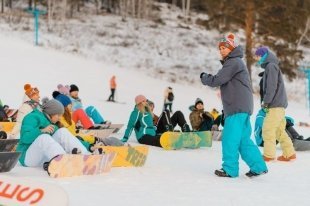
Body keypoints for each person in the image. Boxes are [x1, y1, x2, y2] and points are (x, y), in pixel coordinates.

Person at [200, 33, 267, 178]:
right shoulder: (236, 62)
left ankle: (230, 169)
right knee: (243, 140)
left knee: (230, 138)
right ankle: (258, 166)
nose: (222, 50)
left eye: (225, 48)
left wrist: (204, 77)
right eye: (221, 48)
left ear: (231, 49)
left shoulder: (233, 62)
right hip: (242, 107)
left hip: (236, 107)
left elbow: (218, 79)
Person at [16, 99, 90, 168]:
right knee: (44, 137)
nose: (60, 118)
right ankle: (63, 162)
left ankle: (85, 156)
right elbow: (25, 138)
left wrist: (89, 146)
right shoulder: (32, 117)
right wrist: (41, 131)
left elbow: (69, 138)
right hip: (27, 157)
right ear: (51, 113)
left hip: (42, 156)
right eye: (58, 115)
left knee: (62, 131)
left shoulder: (51, 123)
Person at [254, 46, 296, 162]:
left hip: (274, 104)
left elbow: (271, 86)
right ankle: (290, 153)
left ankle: (269, 155)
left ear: (263, 55)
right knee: (279, 131)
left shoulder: (271, 67)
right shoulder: (272, 66)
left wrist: (266, 102)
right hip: (279, 105)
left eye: (258, 56)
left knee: (267, 129)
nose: (257, 59)